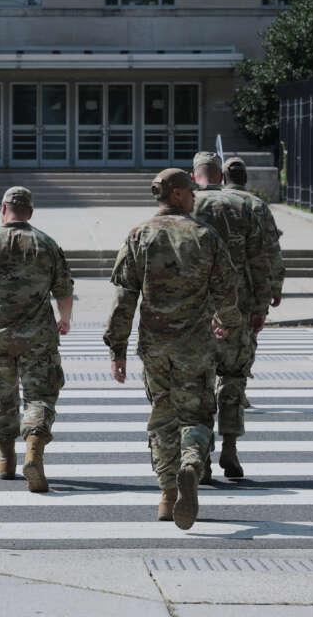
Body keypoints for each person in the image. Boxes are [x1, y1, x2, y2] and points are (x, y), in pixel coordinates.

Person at [104, 167, 243, 529]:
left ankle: (167, 495)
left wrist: (117, 348)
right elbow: (226, 293)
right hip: (195, 345)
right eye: (192, 192)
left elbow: (123, 301)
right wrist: (229, 325)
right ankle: (192, 465)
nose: (196, 197)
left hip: (155, 346)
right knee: (195, 416)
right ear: (178, 194)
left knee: (162, 417)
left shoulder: (139, 236)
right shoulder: (204, 235)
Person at [0, 186, 74, 494]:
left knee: (4, 399)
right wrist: (64, 319)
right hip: (39, 338)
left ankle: (6, 460)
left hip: (0, 339)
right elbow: (64, 290)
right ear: (30, 212)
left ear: (2, 209)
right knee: (40, 396)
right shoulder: (47, 245)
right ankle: (34, 448)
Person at [190, 151, 274, 481]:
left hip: (197, 311)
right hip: (238, 306)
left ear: (194, 175)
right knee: (234, 377)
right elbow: (261, 258)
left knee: (200, 382)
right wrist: (261, 305)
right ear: (221, 177)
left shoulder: (186, 207)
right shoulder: (244, 206)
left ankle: (202, 455)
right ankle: (230, 447)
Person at [223, 156, 286, 309]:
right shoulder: (258, 205)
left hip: (220, 288)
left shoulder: (216, 203)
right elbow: (272, 249)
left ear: (224, 178)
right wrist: (276, 287)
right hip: (251, 287)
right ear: (245, 178)